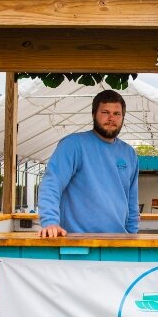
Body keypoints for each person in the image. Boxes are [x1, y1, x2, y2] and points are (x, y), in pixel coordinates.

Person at [38, 89, 139, 237]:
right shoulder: (73, 145)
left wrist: (132, 235)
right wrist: (50, 221)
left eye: (117, 114)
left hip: (119, 241)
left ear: (123, 117)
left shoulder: (129, 154)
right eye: (105, 112)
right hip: (77, 241)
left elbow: (132, 200)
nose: (111, 118)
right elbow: (51, 184)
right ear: (93, 114)